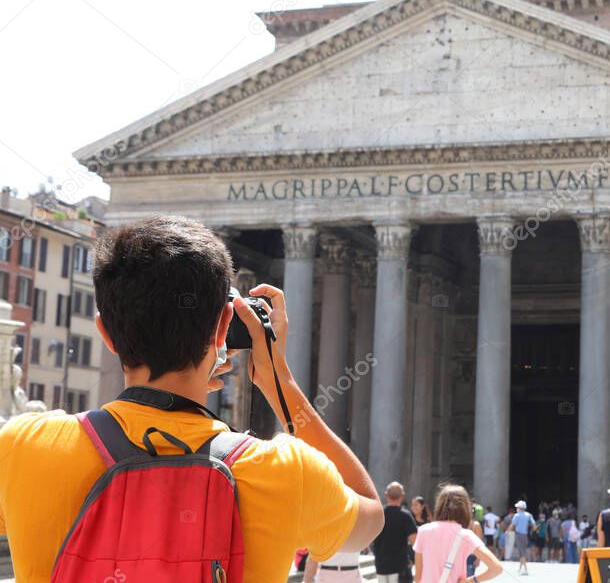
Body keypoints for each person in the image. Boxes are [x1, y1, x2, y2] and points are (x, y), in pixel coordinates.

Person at [0, 216, 385, 582]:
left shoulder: (25, 444)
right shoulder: (284, 469)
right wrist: (279, 382)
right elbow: (371, 515)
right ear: (222, 327)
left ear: (106, 333)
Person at [414, 485, 502, 583]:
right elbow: (497, 568)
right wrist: (470, 581)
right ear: (465, 508)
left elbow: (418, 578)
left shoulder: (423, 531)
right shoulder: (466, 535)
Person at [372, 482, 419, 583]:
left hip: (381, 566)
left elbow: (369, 538)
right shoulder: (405, 516)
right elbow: (415, 542)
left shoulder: (378, 514)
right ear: (402, 496)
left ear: (386, 495)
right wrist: (413, 560)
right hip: (400, 566)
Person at [510, 499, 537, 574]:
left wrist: (507, 531)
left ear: (519, 508)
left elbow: (512, 525)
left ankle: (525, 569)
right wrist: (533, 530)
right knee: (522, 551)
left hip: (519, 534)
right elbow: (534, 525)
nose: (516, 509)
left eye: (517, 507)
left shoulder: (517, 515)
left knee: (521, 552)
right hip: (525, 535)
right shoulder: (529, 515)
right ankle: (520, 568)